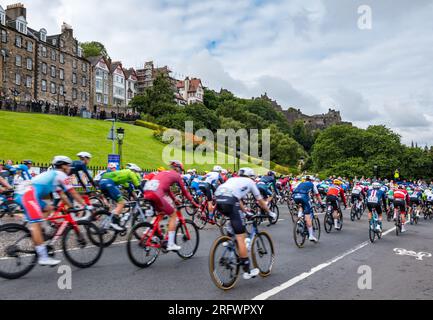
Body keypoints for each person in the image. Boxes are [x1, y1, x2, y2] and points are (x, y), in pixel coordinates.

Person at [14, 156, 93, 266]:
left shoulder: (54, 176)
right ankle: (43, 257)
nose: (70, 168)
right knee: (35, 224)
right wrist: (86, 205)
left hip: (26, 193)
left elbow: (63, 196)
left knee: (49, 208)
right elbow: (73, 192)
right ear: (63, 166)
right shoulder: (60, 174)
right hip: (28, 195)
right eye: (69, 165)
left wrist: (72, 208)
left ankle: (38, 238)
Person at [215, 168, 276, 280]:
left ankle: (229, 240)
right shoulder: (250, 182)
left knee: (234, 222)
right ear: (251, 177)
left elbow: (237, 200)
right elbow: (260, 201)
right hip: (230, 201)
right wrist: (270, 212)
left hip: (218, 199)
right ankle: (247, 270)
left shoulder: (233, 179)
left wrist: (245, 212)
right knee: (241, 237)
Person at [143, 160, 199, 252]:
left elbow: (168, 190)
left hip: (147, 191)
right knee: (173, 215)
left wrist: (175, 200)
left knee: (160, 213)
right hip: (156, 193)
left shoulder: (164, 172)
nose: (181, 172)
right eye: (182, 170)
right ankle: (171, 244)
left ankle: (149, 232)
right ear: (179, 169)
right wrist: (194, 203)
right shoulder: (176, 175)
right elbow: (185, 192)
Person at [99, 164, 143, 231]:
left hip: (102, 182)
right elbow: (137, 184)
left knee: (117, 204)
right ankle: (114, 223)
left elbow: (128, 188)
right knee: (121, 203)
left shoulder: (124, 173)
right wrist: (144, 193)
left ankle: (109, 220)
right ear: (134, 171)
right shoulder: (131, 172)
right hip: (108, 183)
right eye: (137, 172)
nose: (137, 174)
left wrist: (135, 196)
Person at [292, 175, 323, 242]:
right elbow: (317, 195)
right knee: (308, 214)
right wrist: (321, 204)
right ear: (312, 180)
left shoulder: (301, 183)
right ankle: (311, 236)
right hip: (304, 197)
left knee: (301, 206)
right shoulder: (312, 184)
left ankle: (299, 218)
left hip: (295, 196)